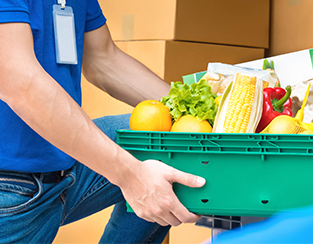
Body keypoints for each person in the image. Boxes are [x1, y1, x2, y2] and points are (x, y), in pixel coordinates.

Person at [0, 0, 206, 243]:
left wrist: (196, 111)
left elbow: (102, 60)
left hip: (63, 168)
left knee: (174, 140)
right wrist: (131, 176)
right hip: (9, 185)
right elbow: (19, 82)